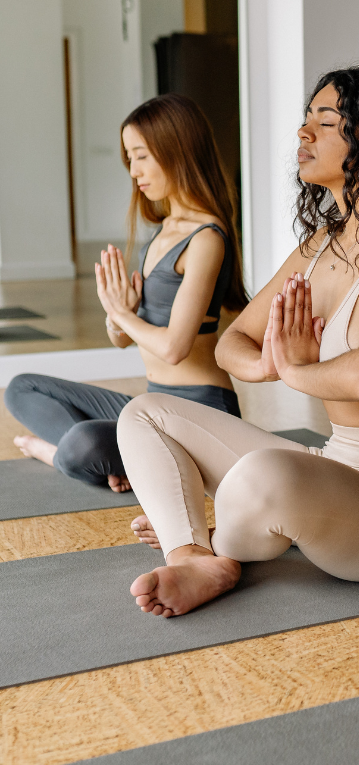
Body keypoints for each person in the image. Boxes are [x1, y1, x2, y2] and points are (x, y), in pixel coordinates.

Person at [117, 66, 359, 618]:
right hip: (331, 465)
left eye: (325, 122)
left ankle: (218, 530)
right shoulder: (319, 245)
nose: (302, 134)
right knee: (143, 414)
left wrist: (292, 369)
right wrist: (270, 363)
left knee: (263, 477)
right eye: (304, 120)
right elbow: (231, 343)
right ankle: (194, 554)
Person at [5, 94, 246, 494]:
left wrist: (124, 314)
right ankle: (120, 460)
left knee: (84, 443)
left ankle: (56, 454)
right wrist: (118, 315)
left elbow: (173, 348)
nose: (133, 171)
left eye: (141, 156)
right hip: (151, 405)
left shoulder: (207, 238)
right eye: (129, 159)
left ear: (176, 150)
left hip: (197, 413)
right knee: (21, 388)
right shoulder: (163, 230)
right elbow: (122, 339)